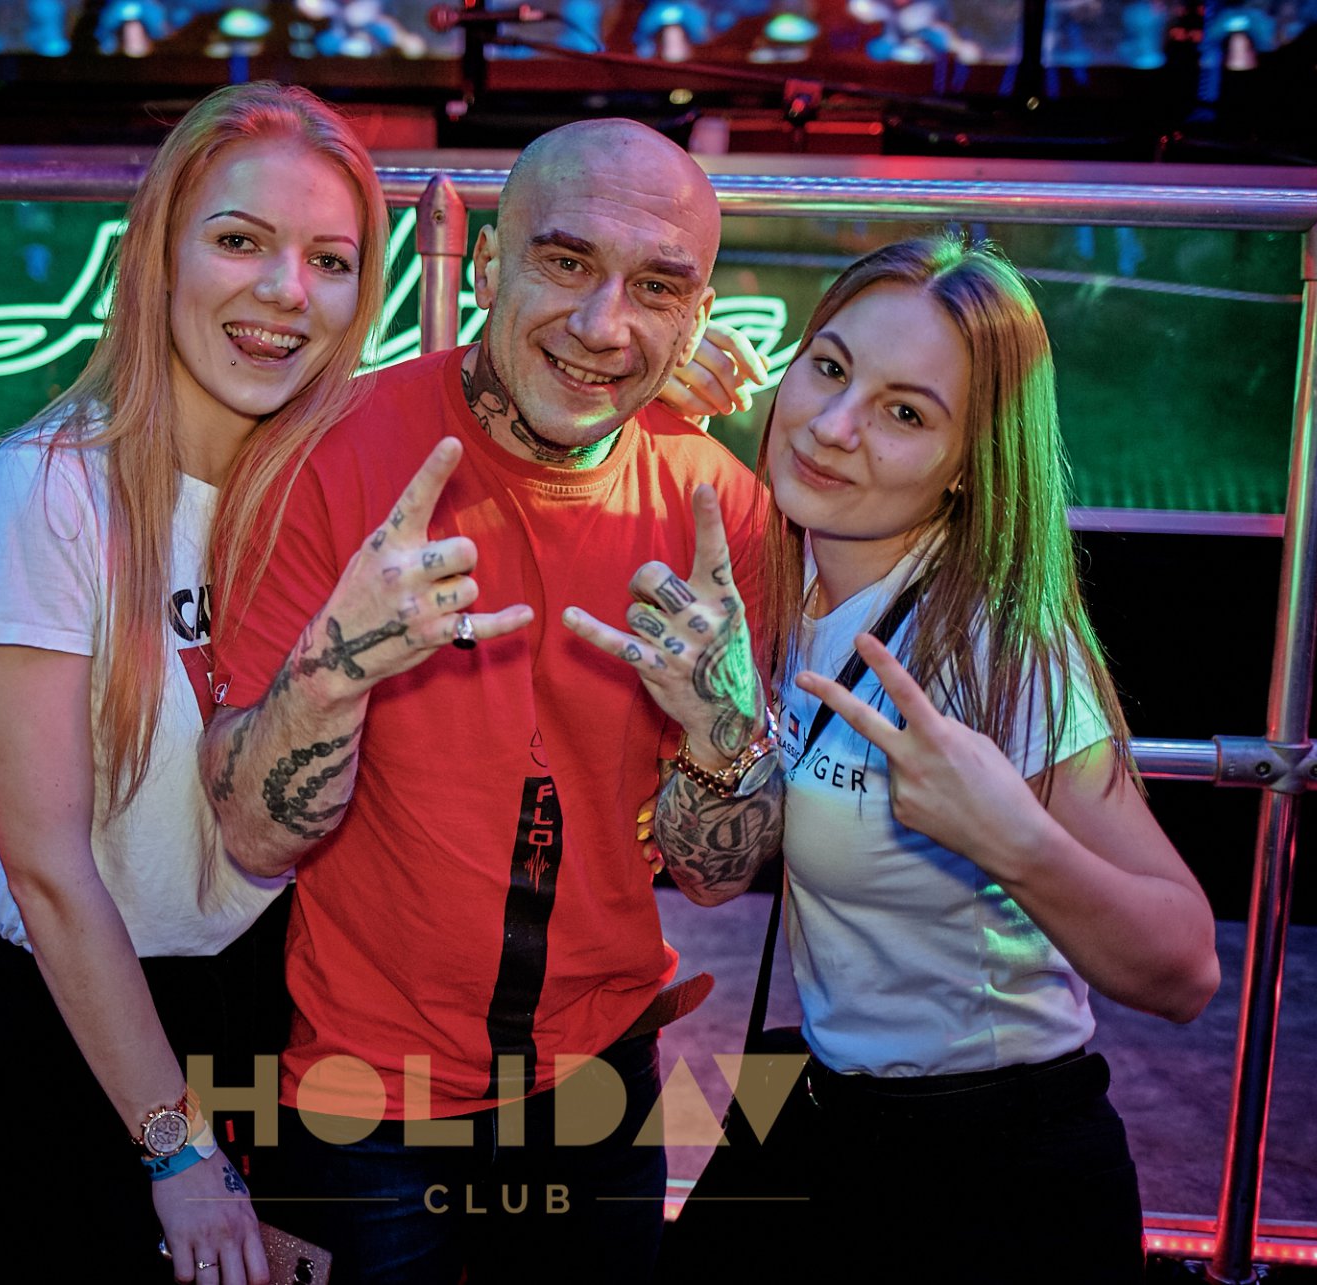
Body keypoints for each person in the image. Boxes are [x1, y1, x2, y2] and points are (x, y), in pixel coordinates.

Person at [196, 118, 772, 1284]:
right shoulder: (328, 454)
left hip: (605, 1085)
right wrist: (338, 666)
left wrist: (721, 725)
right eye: (566, 261)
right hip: (359, 1099)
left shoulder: (720, 508)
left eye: (656, 287)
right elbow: (256, 836)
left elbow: (716, 875)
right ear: (491, 262)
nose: (603, 324)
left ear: (698, 315)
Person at [642, 235, 1222, 1284]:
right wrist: (647, 400)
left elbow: (1185, 968)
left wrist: (1013, 839)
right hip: (823, 1108)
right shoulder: (778, 575)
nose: (833, 426)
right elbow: (711, 872)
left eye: (906, 413)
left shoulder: (992, 645)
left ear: (970, 465)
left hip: (992, 1169)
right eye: (828, 367)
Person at [0, 82, 389, 1285]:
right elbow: (47, 868)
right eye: (240, 240)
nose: (286, 291)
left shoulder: (327, 495)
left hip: (280, 1008)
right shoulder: (44, 494)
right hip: (86, 1026)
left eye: (329, 260)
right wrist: (176, 1145)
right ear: (159, 255)